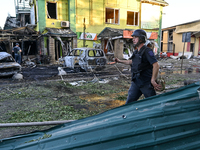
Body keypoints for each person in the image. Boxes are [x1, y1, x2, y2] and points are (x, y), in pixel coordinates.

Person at [115, 29, 161, 104]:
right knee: (129, 103)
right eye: (133, 37)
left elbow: (156, 65)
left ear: (141, 39)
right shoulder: (136, 51)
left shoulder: (147, 51)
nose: (133, 39)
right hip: (136, 82)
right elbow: (131, 62)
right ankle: (128, 115)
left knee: (153, 104)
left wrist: (153, 80)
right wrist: (120, 61)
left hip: (146, 82)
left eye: (135, 37)